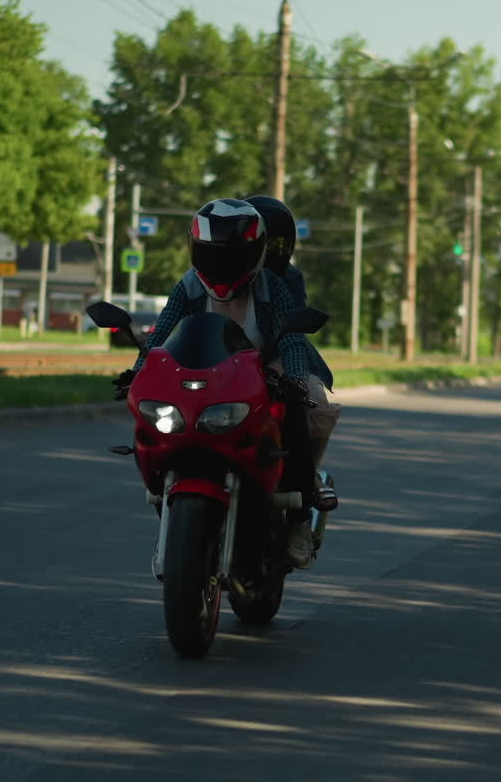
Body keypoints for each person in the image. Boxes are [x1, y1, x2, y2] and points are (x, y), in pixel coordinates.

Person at [117, 197, 325, 567]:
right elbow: (161, 333)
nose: (221, 265)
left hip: (264, 369)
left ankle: (298, 514)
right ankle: (173, 516)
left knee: (302, 404)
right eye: (211, 255)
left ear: (256, 253)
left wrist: (293, 378)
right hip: (207, 373)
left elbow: (292, 340)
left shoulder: (273, 288)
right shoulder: (189, 286)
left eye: (232, 256)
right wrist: (138, 371)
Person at [244, 194, 341, 497]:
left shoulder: (290, 278)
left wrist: (291, 374)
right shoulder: (217, 269)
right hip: (225, 362)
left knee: (315, 403)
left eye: (277, 243)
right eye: (264, 242)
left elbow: (292, 332)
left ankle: (308, 483)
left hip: (280, 358)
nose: (271, 251)